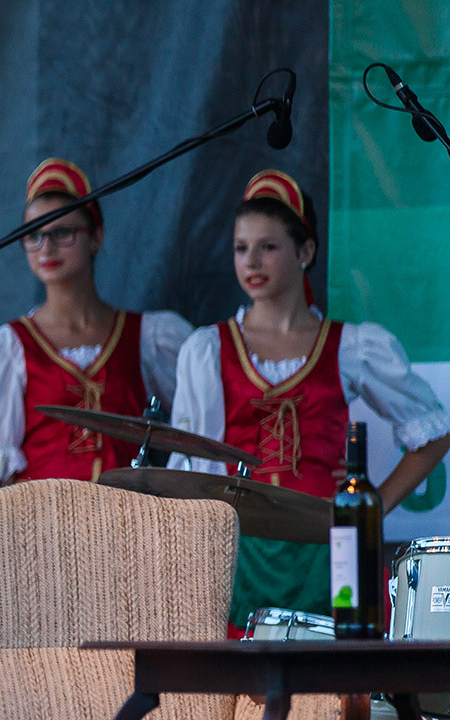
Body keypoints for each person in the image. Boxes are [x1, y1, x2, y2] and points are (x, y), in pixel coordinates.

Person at [171, 170, 450, 632]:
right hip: (245, 549)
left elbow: (433, 432)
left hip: (331, 544)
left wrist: (376, 505)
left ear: (305, 252)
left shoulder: (351, 346)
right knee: (243, 663)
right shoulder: (208, 349)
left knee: (340, 662)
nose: (251, 261)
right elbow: (190, 462)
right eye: (241, 247)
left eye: (268, 246)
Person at [0, 158, 193, 488]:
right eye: (34, 235)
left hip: (128, 514)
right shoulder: (9, 348)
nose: (47, 247)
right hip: (42, 518)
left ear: (96, 237)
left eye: (63, 232)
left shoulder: (148, 337)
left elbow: (197, 432)